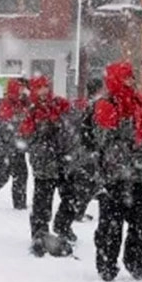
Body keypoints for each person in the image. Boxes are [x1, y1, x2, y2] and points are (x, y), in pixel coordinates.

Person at [92, 62, 142, 281]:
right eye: (126, 77)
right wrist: (131, 134)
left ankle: (134, 260)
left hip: (138, 174)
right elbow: (103, 139)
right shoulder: (105, 105)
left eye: (132, 77)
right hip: (113, 175)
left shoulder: (139, 102)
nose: (131, 81)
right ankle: (107, 264)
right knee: (111, 226)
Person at [19, 76, 74, 257]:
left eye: (45, 87)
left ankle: (62, 225)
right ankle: (40, 232)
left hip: (62, 159)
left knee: (70, 195)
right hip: (43, 161)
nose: (43, 91)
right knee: (42, 199)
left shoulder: (59, 104)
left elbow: (71, 123)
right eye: (39, 88)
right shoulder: (32, 110)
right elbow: (26, 135)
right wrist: (42, 131)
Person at [51, 78, 102, 244]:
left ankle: (65, 222)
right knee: (78, 191)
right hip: (81, 156)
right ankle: (64, 223)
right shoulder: (93, 107)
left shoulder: (78, 106)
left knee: (75, 192)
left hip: (72, 155)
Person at [0, 76, 30, 209]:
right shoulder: (1, 103)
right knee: (4, 172)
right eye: (21, 88)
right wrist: (7, 135)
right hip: (4, 145)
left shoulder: (24, 104)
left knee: (20, 174)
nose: (24, 91)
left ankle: (18, 203)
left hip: (17, 145)